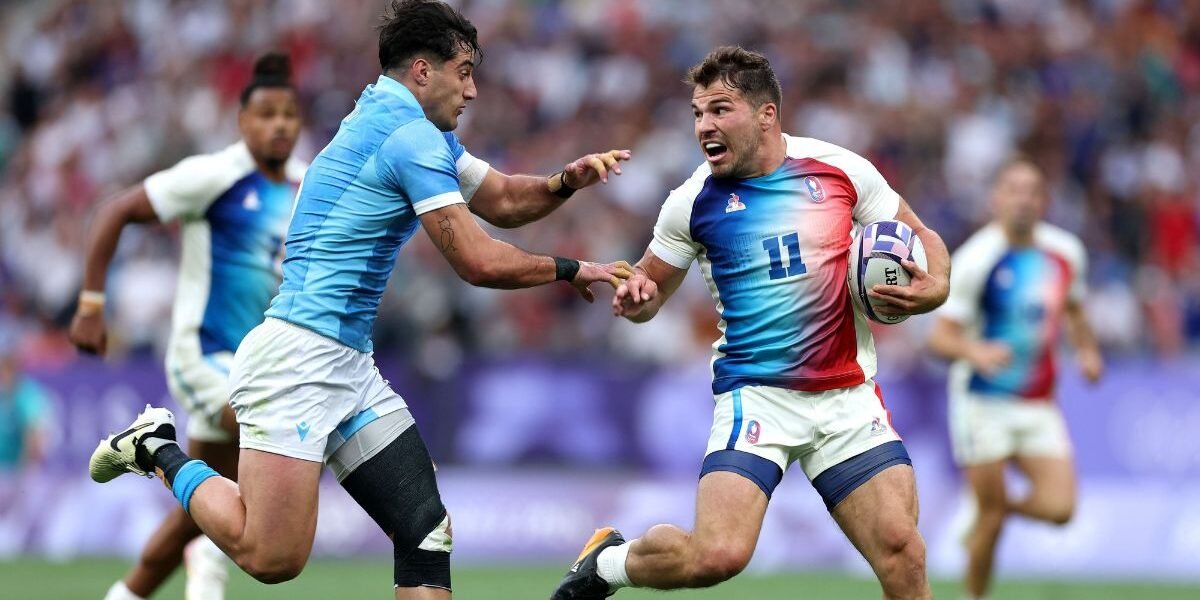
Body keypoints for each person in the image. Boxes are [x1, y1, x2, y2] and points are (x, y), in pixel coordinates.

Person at [87, 1, 632, 598]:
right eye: (465, 71)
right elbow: (476, 261)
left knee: (424, 529)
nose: (473, 90)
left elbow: (502, 198)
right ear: (423, 71)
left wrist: (562, 183)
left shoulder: (406, 125)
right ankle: (155, 447)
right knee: (273, 558)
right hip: (297, 358)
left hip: (348, 364)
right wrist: (571, 268)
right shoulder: (409, 136)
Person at [551, 46, 951, 600]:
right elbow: (647, 294)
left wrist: (939, 286)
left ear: (767, 115)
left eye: (719, 110)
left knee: (903, 554)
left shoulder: (840, 170)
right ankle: (610, 563)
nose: (704, 126)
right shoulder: (691, 202)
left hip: (846, 398)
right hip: (758, 396)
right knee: (718, 556)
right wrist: (635, 296)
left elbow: (922, 236)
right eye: (697, 113)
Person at [68, 53, 307, 600]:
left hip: (258, 363)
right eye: (266, 114)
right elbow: (116, 211)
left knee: (200, 508)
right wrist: (90, 302)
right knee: (274, 430)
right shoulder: (214, 176)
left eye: (289, 114)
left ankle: (130, 592)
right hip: (205, 354)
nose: (279, 125)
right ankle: (157, 460)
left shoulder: (305, 188)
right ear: (242, 121)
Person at [927, 157, 1102, 600]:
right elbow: (939, 340)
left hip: (1038, 401)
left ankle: (995, 509)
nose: (1023, 199)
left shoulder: (1065, 253)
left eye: (1032, 191)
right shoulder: (975, 260)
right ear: (997, 200)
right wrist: (975, 350)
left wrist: (1087, 351)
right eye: (1013, 190)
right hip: (982, 402)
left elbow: (1077, 309)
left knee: (1060, 509)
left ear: (1043, 201)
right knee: (989, 522)